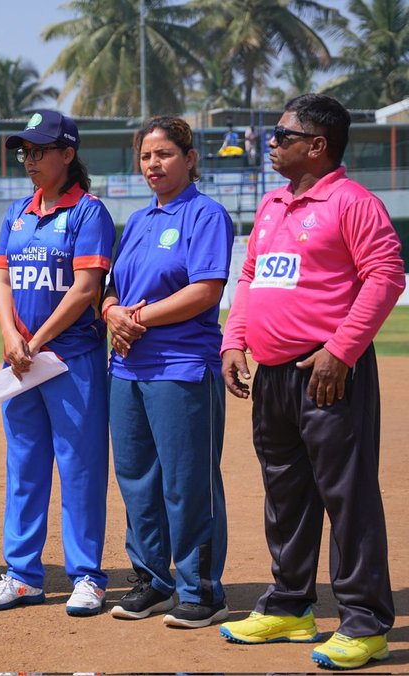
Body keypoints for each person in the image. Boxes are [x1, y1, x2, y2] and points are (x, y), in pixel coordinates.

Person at [218, 94, 403, 670]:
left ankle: (365, 622)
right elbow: (250, 276)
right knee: (286, 495)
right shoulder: (273, 203)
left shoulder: (353, 202)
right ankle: (292, 606)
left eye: (281, 135)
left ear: (317, 145)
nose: (270, 143)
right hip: (272, 376)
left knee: (347, 498)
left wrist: (341, 351)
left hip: (328, 376)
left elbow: (386, 274)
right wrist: (233, 339)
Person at [0, 111, 115, 616]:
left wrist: (38, 341)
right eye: (25, 152)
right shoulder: (16, 212)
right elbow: (1, 282)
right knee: (25, 467)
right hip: (20, 362)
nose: (30, 160)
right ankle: (22, 574)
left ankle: (86, 576)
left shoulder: (89, 213)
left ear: (68, 154)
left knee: (80, 468)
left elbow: (86, 289)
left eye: (39, 151)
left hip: (70, 359)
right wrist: (12, 337)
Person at [101, 116, 233, 629]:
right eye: (146, 156)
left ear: (190, 158)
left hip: (181, 366)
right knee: (136, 478)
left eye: (164, 154)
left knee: (187, 481)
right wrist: (113, 310)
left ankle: (201, 588)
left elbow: (205, 291)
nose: (153, 164)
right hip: (128, 368)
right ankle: (152, 580)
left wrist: (134, 318)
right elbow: (112, 287)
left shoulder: (206, 215)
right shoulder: (136, 221)